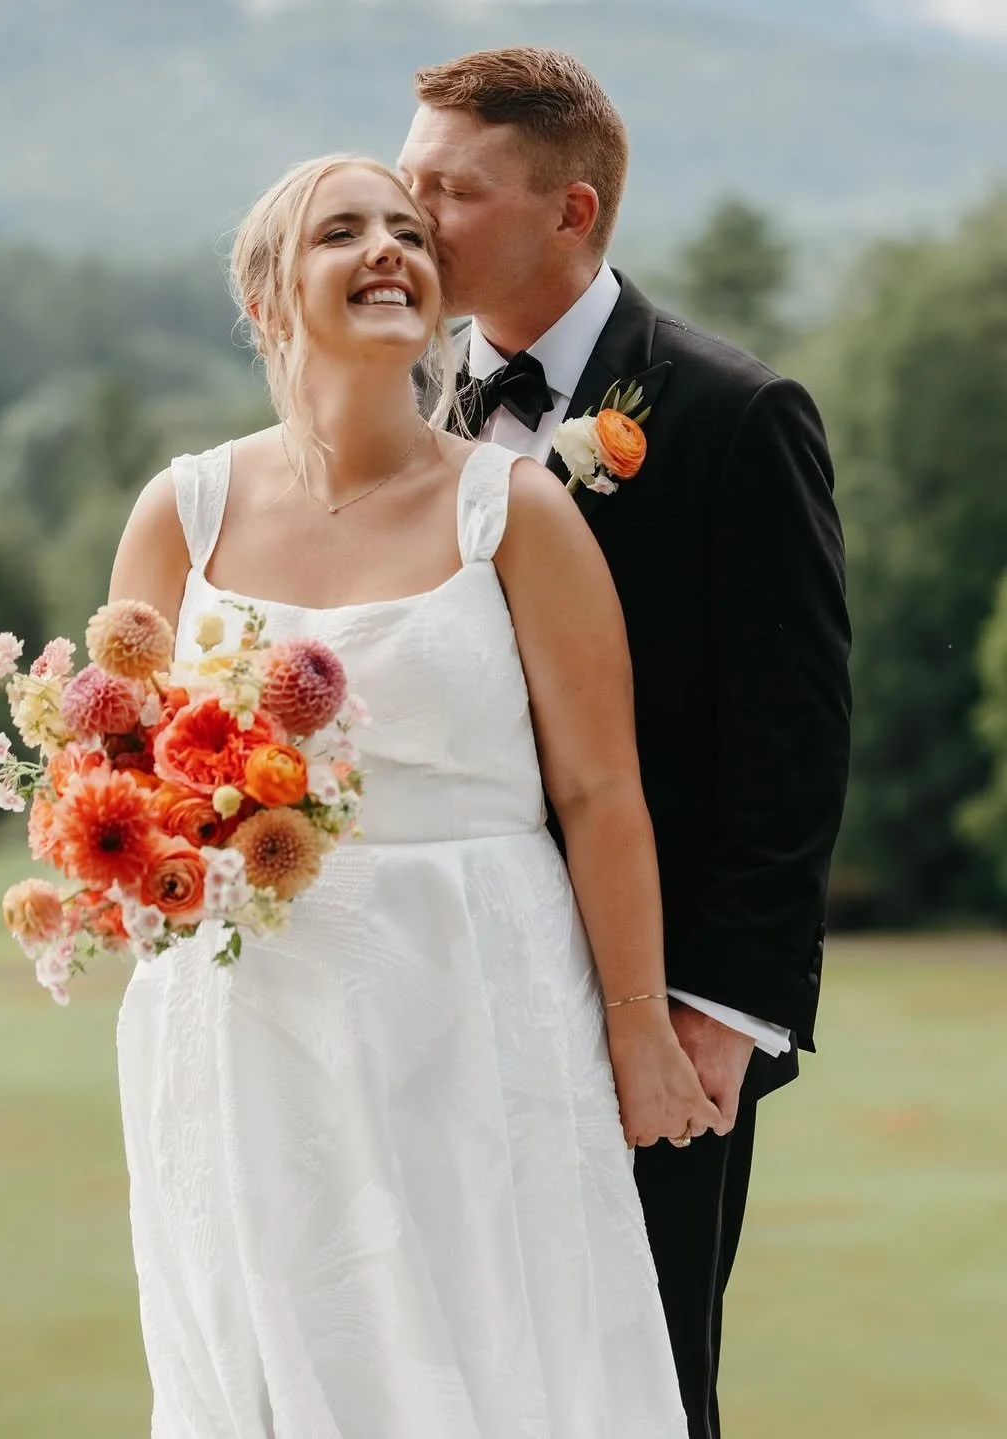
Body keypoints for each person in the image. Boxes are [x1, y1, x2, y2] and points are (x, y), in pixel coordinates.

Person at [110, 154, 714, 1437]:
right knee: (272, 1350)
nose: (389, 249)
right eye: (344, 232)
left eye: (406, 233)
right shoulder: (184, 508)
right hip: (246, 1015)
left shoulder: (520, 510)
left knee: (491, 1347)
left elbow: (604, 791)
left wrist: (637, 1025)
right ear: (272, 299)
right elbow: (129, 780)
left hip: (478, 998)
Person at [398, 47, 852, 1439]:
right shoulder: (401, 413)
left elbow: (794, 736)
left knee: (635, 1386)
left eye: (449, 192)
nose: (410, 221)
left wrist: (721, 1010)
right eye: (405, 180)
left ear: (571, 211)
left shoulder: (733, 416)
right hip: (438, 987)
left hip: (640, 1011)